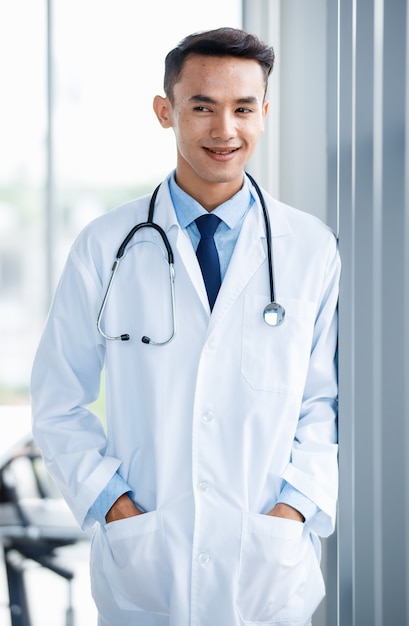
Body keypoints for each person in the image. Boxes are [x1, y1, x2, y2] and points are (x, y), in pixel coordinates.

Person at [31, 27, 340, 626]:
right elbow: (57, 400)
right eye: (202, 107)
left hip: (266, 573)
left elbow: (322, 404)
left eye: (243, 108)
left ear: (264, 114)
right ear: (165, 111)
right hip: (145, 567)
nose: (225, 130)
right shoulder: (105, 246)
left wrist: (292, 514)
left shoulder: (309, 248)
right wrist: (114, 506)